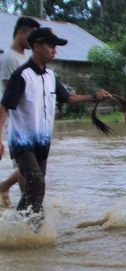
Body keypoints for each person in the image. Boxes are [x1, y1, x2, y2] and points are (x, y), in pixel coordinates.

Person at [0, 27, 111, 231]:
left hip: (43, 142)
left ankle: (24, 229)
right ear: (36, 47)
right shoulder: (21, 75)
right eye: (50, 46)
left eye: (55, 47)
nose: (54, 51)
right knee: (37, 182)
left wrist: (94, 97)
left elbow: (67, 98)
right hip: (22, 142)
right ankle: (23, 228)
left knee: (35, 187)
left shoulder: (50, 75)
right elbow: (5, 106)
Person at [0, 16, 41, 207]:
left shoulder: (24, 57)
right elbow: (10, 96)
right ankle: (28, 214)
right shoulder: (9, 58)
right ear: (21, 33)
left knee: (30, 169)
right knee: (29, 172)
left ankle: (4, 188)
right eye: (31, 36)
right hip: (19, 124)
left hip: (31, 122)